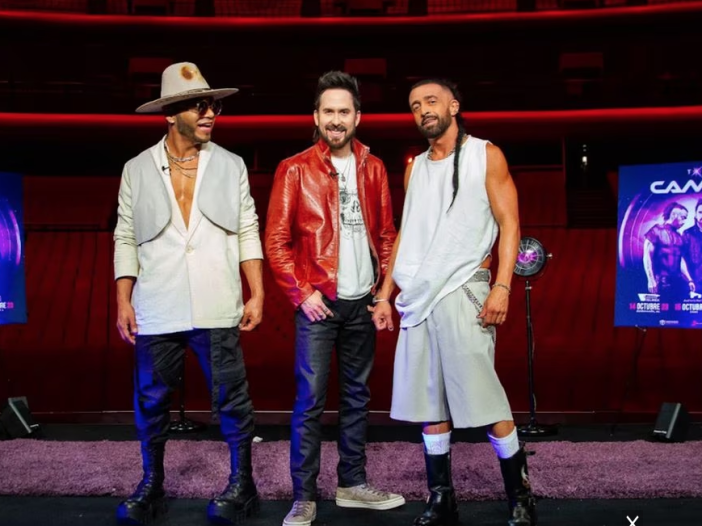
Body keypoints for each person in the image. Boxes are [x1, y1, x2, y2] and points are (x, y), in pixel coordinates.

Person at [371, 78, 537, 526]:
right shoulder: (415, 167)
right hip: (419, 295)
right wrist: (385, 293)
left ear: (454, 106)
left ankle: (520, 496)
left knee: (485, 400)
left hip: (464, 286)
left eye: (431, 101)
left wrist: (502, 286)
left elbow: (510, 223)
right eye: (415, 105)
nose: (423, 110)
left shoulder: (487, 154)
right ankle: (441, 499)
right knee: (429, 404)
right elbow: (408, 234)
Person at [113, 62, 264, 526]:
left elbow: (247, 228)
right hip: (158, 303)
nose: (210, 113)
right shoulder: (136, 168)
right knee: (151, 400)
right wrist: (123, 300)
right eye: (199, 106)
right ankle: (152, 486)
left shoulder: (231, 165)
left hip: (216, 299)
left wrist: (257, 293)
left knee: (232, 398)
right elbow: (125, 235)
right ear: (170, 113)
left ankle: (243, 486)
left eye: (213, 105)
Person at [265, 70, 404, 526]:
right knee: (309, 401)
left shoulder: (374, 167)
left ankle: (352, 484)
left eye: (344, 111)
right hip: (318, 303)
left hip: (363, 302)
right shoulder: (294, 168)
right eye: (329, 111)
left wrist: (384, 295)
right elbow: (276, 241)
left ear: (357, 117)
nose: (336, 120)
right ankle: (303, 496)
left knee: (358, 397)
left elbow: (387, 237)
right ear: (316, 116)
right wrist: (301, 293)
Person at [643, 202, 695, 307]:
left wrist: (689, 279)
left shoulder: (679, 236)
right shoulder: (656, 230)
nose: (684, 222)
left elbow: (680, 260)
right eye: (683, 218)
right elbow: (647, 256)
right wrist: (651, 280)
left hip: (678, 282)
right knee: (662, 311)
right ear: (674, 215)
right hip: (661, 283)